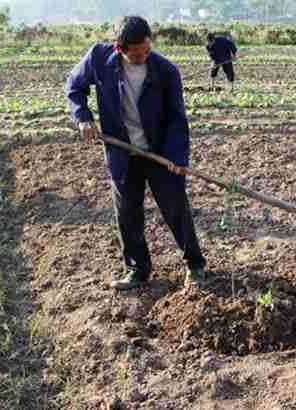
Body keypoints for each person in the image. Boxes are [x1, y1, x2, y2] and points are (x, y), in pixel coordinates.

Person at [66, 16, 207, 290]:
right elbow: (74, 86)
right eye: (137, 54)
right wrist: (83, 116)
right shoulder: (99, 58)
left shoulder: (165, 71)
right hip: (122, 152)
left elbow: (177, 119)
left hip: (159, 152)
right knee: (127, 213)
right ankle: (137, 270)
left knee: (175, 207)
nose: (143, 57)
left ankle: (195, 264)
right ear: (119, 48)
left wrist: (177, 159)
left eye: (147, 50)